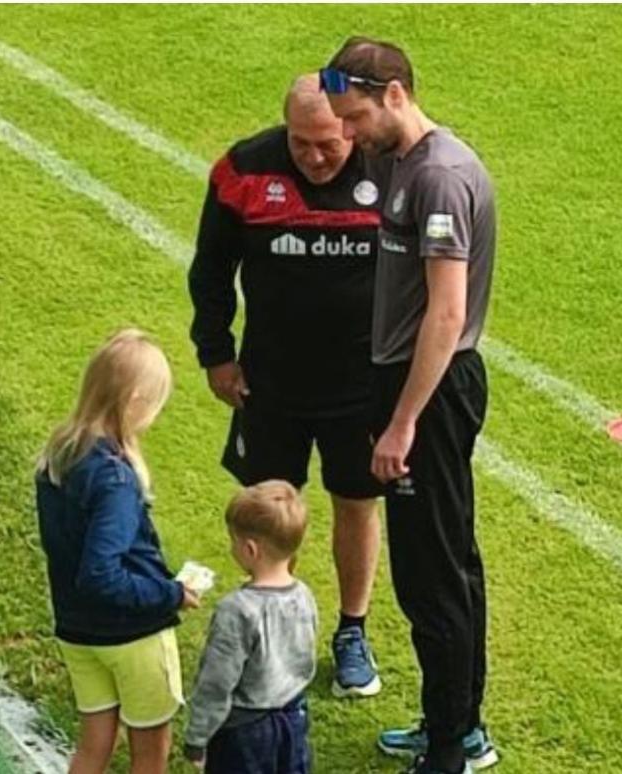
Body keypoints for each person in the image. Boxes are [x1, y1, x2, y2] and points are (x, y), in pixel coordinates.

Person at [322, 37, 500, 774]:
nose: (350, 137)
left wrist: (402, 422)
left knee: (435, 575)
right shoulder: (397, 162)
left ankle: (454, 746)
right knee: (438, 564)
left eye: (356, 118)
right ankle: (451, 723)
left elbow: (445, 315)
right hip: (405, 384)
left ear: (395, 94)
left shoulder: (440, 179)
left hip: (431, 390)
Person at [188, 74, 384, 698]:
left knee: (357, 501)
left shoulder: (390, 171)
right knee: (270, 509)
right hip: (270, 381)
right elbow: (211, 270)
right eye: (301, 143)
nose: (314, 157)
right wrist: (216, 355)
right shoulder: (243, 170)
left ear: (351, 129)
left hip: (361, 385)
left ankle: (353, 630)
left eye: (328, 143)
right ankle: (274, 632)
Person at [34, 329, 201, 774]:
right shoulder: (116, 480)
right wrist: (171, 594)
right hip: (133, 637)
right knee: (150, 754)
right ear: (136, 401)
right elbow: (101, 573)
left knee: (94, 745)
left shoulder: (59, 455)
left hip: (77, 631)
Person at [183, 480, 318, 774]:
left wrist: (197, 738)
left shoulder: (237, 610)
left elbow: (216, 682)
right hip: (294, 716)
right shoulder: (304, 595)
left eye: (233, 540)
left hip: (244, 731)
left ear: (250, 549)